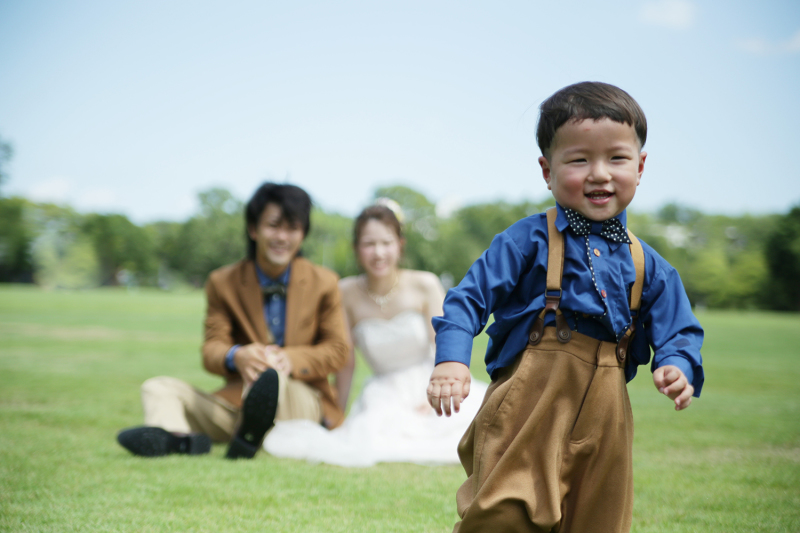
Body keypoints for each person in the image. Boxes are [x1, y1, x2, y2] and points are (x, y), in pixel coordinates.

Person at [427, 82, 705, 532]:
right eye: (579, 160)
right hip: (531, 400)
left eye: (616, 158)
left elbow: (679, 329)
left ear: (640, 166)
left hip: (607, 410)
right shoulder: (526, 240)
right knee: (504, 509)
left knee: (600, 516)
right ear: (547, 170)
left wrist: (678, 365)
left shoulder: (650, 265)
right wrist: (451, 361)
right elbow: (468, 298)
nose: (599, 174)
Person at [116, 183, 349, 459]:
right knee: (158, 388)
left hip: (301, 402)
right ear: (253, 229)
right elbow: (211, 349)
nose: (282, 237)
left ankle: (249, 434)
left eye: (292, 228)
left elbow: (338, 350)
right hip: (238, 403)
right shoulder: (222, 282)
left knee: (270, 371)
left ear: (303, 233)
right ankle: (181, 441)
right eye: (273, 226)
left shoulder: (325, 282)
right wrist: (237, 356)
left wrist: (288, 359)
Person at [263, 201, 489, 466]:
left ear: (400, 244)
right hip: (384, 392)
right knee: (373, 437)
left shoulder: (424, 284)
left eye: (386, 243)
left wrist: (434, 397)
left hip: (431, 381)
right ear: (356, 248)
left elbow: (444, 346)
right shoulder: (345, 292)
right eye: (369, 244)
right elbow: (346, 362)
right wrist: (338, 414)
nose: (378, 253)